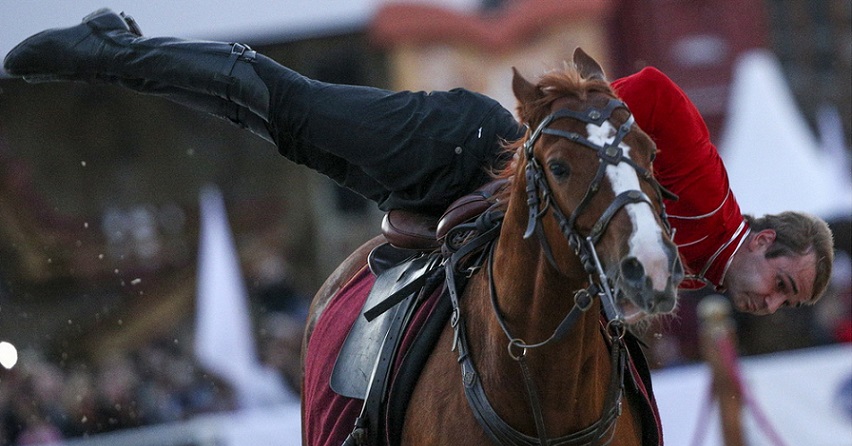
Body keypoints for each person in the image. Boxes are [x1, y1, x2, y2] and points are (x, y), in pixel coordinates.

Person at [3, 8, 834, 315]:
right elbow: (648, 87)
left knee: (283, 132)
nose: (775, 305)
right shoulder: (711, 201)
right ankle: (108, 50)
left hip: (454, 197)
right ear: (762, 241)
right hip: (465, 144)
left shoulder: (692, 268)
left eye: (788, 302)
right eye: (784, 287)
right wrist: (552, 149)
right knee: (284, 104)